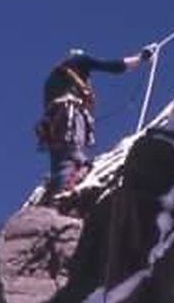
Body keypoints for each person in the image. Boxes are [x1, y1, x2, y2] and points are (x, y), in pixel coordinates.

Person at [35, 45, 155, 198]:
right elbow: (112, 66)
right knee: (72, 157)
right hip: (68, 114)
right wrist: (141, 57)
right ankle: (61, 197)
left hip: (53, 125)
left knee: (61, 159)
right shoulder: (79, 60)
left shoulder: (54, 79)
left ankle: (57, 194)